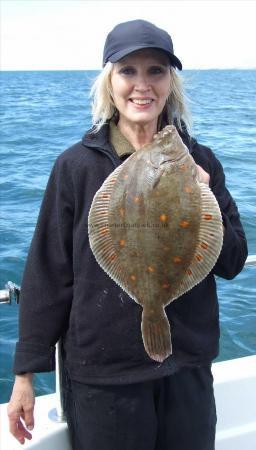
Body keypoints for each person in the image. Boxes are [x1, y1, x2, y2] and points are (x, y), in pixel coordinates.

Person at [8, 19, 248, 450]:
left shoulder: (201, 160)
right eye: (128, 71)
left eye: (156, 71)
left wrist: (203, 191)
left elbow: (232, 262)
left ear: (171, 83)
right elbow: (49, 271)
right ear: (109, 82)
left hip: (187, 368)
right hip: (105, 378)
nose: (143, 85)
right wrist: (25, 375)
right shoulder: (76, 167)